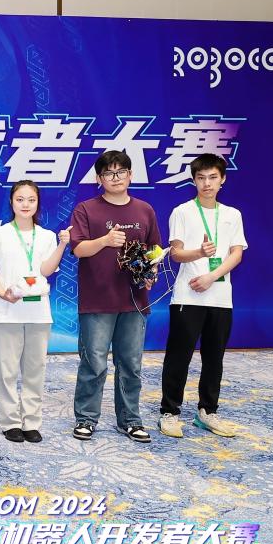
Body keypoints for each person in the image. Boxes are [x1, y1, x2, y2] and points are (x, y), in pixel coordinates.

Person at [69, 150, 161, 443]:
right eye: (108, 173)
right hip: (97, 299)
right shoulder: (86, 209)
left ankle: (130, 420)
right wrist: (105, 240)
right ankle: (86, 418)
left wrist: (151, 270)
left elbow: (154, 250)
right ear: (99, 179)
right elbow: (78, 248)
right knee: (94, 363)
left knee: (131, 364)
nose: (115, 177)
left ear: (131, 175)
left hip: (134, 300)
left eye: (121, 172)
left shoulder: (144, 210)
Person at [159, 154, 246, 439]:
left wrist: (211, 275)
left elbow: (236, 253)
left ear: (223, 179)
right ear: (193, 180)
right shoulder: (182, 211)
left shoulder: (232, 214)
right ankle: (169, 412)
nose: (207, 183)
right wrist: (199, 253)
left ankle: (208, 411)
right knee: (178, 356)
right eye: (201, 178)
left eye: (212, 177)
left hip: (220, 297)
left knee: (214, 358)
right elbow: (176, 253)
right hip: (188, 296)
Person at [0, 181, 71, 443]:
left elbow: (45, 271)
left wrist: (62, 245)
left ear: (37, 203)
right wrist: (4, 294)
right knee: (7, 371)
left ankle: (31, 421)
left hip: (38, 313)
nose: (25, 204)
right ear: (11, 202)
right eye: (20, 199)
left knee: (35, 369)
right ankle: (10, 422)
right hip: (6, 311)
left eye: (31, 200)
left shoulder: (46, 236)